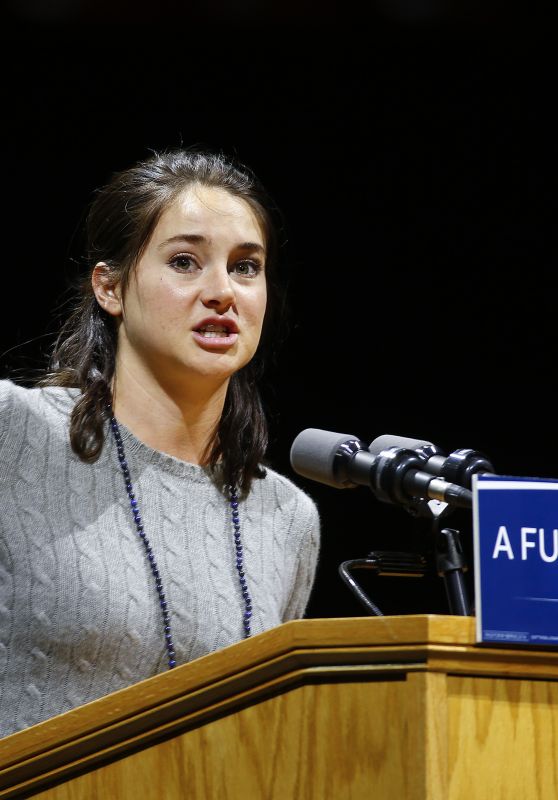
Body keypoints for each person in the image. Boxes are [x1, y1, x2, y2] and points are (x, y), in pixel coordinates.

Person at [0, 147, 320, 739]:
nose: (222, 291)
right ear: (111, 287)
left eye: (246, 267)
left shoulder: (286, 517)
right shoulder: (14, 433)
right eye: (184, 261)